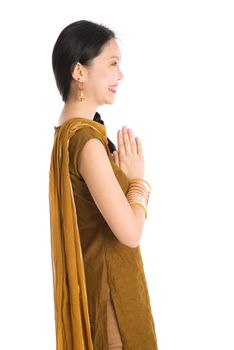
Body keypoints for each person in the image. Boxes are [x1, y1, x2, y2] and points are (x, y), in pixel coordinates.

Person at [49, 20, 159, 350]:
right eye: (112, 64)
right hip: (114, 307)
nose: (120, 75)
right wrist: (138, 182)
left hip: (98, 293)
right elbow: (129, 232)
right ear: (79, 72)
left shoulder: (65, 135)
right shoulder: (87, 142)